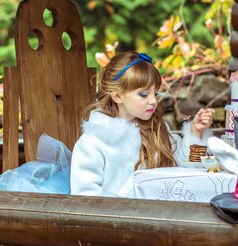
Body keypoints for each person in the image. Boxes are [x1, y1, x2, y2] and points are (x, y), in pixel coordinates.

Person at [70, 51, 215, 198]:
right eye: (144, 94)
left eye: (156, 94)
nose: (153, 101)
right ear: (118, 96)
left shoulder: (158, 130)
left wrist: (196, 133)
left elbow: (189, 168)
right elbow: (85, 199)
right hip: (116, 219)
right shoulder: (93, 143)